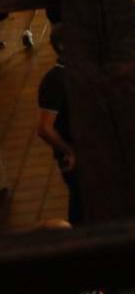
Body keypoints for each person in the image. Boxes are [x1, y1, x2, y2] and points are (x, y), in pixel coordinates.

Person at [36, 34, 81, 223]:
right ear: (62, 46)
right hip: (73, 158)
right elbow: (44, 128)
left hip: (84, 151)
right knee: (81, 204)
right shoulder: (54, 80)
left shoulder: (75, 73)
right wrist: (70, 151)